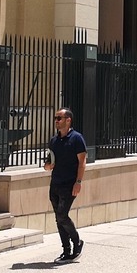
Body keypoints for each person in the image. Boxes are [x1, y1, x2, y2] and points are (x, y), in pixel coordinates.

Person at [45, 107, 87, 264]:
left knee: (62, 215)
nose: (56, 121)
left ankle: (77, 241)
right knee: (58, 218)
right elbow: (49, 161)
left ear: (68, 120)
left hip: (69, 184)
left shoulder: (77, 138)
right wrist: (47, 166)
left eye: (59, 118)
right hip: (55, 183)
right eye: (56, 118)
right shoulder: (54, 140)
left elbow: (82, 162)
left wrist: (78, 182)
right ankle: (66, 250)